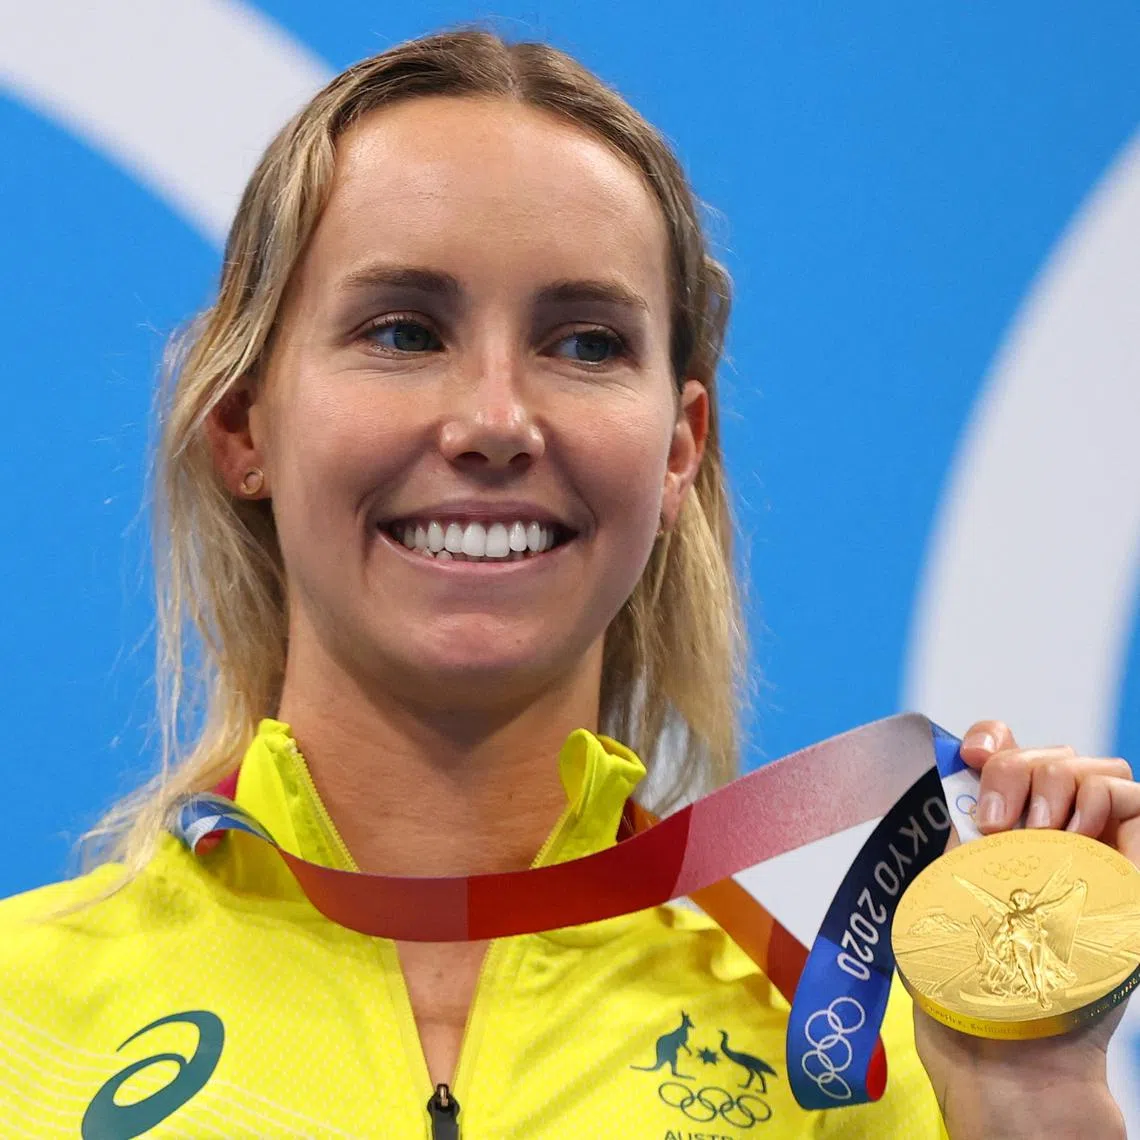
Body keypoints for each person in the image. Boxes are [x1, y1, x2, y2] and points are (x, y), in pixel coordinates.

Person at [0, 25, 1136, 1139]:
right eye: (402, 332)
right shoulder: (22, 1027)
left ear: (680, 449)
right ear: (245, 424)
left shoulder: (839, 1077)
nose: (496, 420)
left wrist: (1030, 1107)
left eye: (586, 344)